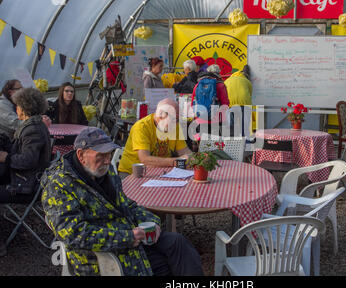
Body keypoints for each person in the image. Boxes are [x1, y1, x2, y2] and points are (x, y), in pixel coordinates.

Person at [41, 127, 203, 276]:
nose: (107, 160)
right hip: (101, 257)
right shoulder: (59, 185)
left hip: (130, 238)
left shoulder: (106, 172)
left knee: (177, 242)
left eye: (109, 154)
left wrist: (152, 223)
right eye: (101, 155)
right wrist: (127, 237)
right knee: (166, 265)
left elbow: (127, 205)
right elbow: (74, 234)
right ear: (81, 155)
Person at [0, 87, 51, 256]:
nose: (16, 109)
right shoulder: (33, 126)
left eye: (18, 106)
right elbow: (22, 151)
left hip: (28, 186)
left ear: (24, 107)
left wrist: (5, 157)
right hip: (27, 179)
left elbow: (28, 160)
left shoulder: (33, 129)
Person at [118, 98, 191, 175]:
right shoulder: (141, 127)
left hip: (160, 172)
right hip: (132, 173)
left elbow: (184, 151)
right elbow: (145, 160)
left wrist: (194, 158)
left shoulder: (174, 125)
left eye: (177, 119)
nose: (176, 123)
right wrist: (177, 162)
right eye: (174, 119)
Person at [190, 64, 230, 136]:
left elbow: (192, 102)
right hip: (216, 120)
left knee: (203, 143)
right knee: (215, 143)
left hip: (201, 118)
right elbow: (225, 104)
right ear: (218, 73)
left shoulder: (198, 85)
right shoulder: (220, 85)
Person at [224, 65, 253, 136]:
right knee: (244, 124)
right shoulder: (246, 81)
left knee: (231, 124)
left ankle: (232, 140)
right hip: (244, 103)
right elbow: (250, 93)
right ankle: (245, 140)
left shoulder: (227, 80)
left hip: (230, 103)